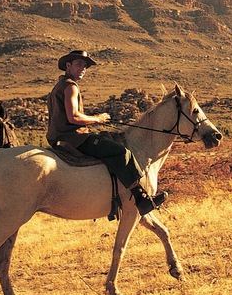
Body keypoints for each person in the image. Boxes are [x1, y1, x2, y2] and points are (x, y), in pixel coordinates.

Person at [46, 50, 166, 216]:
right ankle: (141, 198)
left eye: (85, 66)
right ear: (68, 66)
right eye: (79, 64)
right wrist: (98, 118)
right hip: (76, 139)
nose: (83, 69)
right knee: (121, 152)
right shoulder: (70, 87)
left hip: (59, 139)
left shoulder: (57, 87)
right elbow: (73, 117)